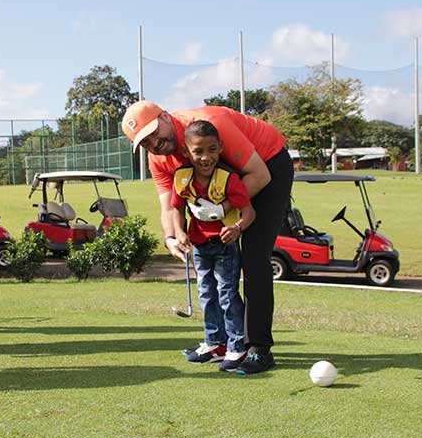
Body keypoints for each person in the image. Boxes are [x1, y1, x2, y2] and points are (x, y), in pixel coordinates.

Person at [122, 101, 293, 375]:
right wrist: (171, 236)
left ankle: (258, 347)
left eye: (155, 132)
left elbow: (259, 175)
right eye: (145, 142)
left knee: (253, 256)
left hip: (268, 164)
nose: (155, 143)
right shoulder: (158, 158)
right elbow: (168, 206)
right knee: (214, 263)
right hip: (225, 179)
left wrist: (222, 208)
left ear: (165, 116)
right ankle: (220, 342)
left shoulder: (211, 123)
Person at [169, 121, 255, 372]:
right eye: (198, 151)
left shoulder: (229, 178)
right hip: (199, 246)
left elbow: (249, 212)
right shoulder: (182, 177)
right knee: (206, 295)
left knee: (227, 295)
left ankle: (237, 346)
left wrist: (237, 228)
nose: (206, 157)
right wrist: (179, 232)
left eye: (212, 149)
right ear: (186, 152)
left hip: (224, 245)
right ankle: (214, 342)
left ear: (221, 148)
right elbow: (176, 207)